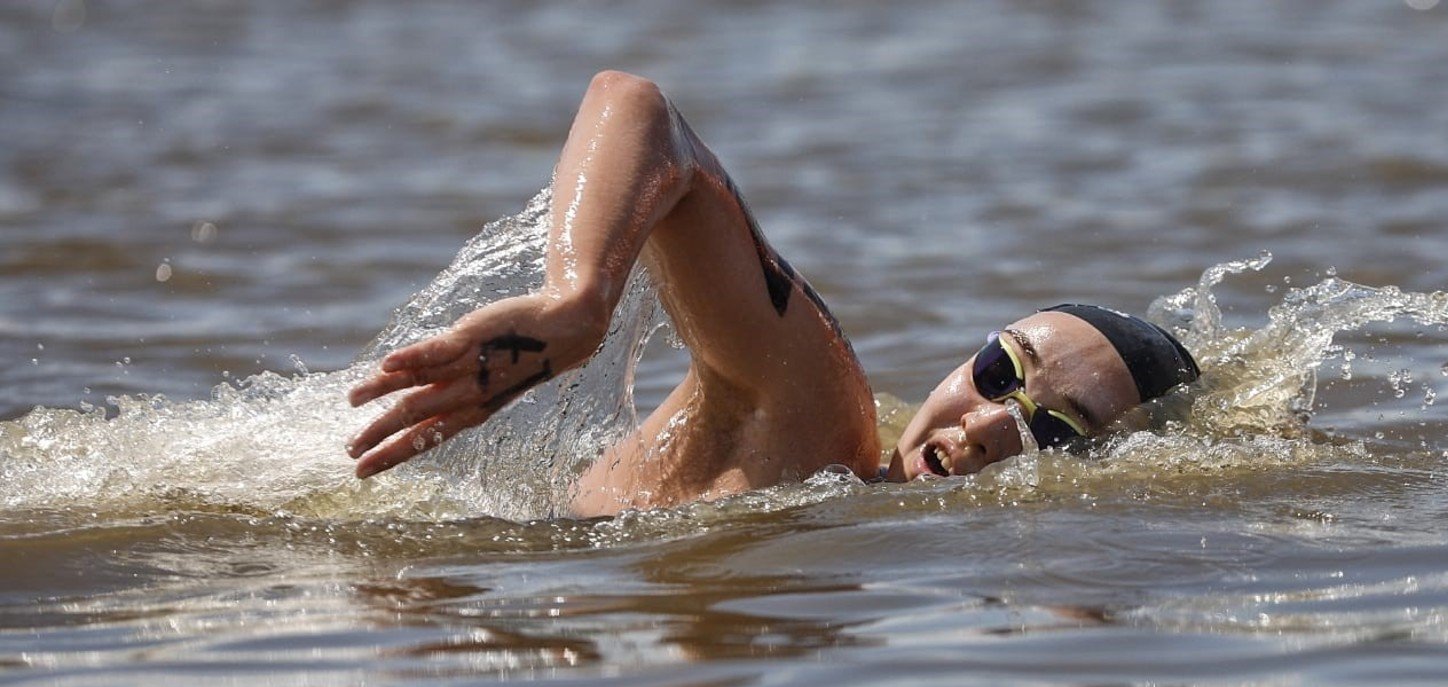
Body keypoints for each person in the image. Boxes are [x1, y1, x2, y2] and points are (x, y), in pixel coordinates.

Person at [347, 71, 1198, 518]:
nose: (981, 427)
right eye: (997, 369)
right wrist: (580, 297)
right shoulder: (819, 421)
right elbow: (639, 108)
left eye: (1050, 429)